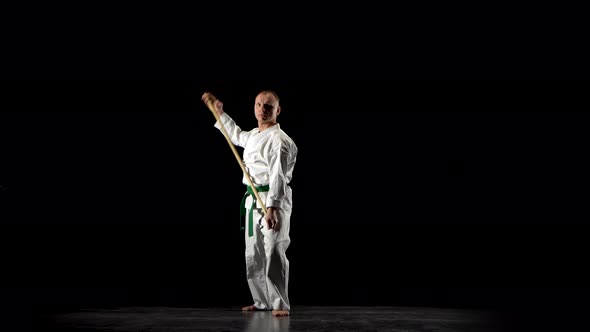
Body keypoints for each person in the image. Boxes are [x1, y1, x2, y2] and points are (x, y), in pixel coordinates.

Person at [201, 90, 298, 317]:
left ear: (278, 110)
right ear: (254, 107)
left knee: (274, 249)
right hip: (252, 199)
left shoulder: (280, 141)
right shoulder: (254, 135)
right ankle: (262, 301)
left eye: (268, 106)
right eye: (259, 105)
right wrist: (219, 113)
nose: (262, 110)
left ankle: (280, 303)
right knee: (253, 253)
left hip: (273, 200)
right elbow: (234, 135)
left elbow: (278, 176)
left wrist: (273, 207)